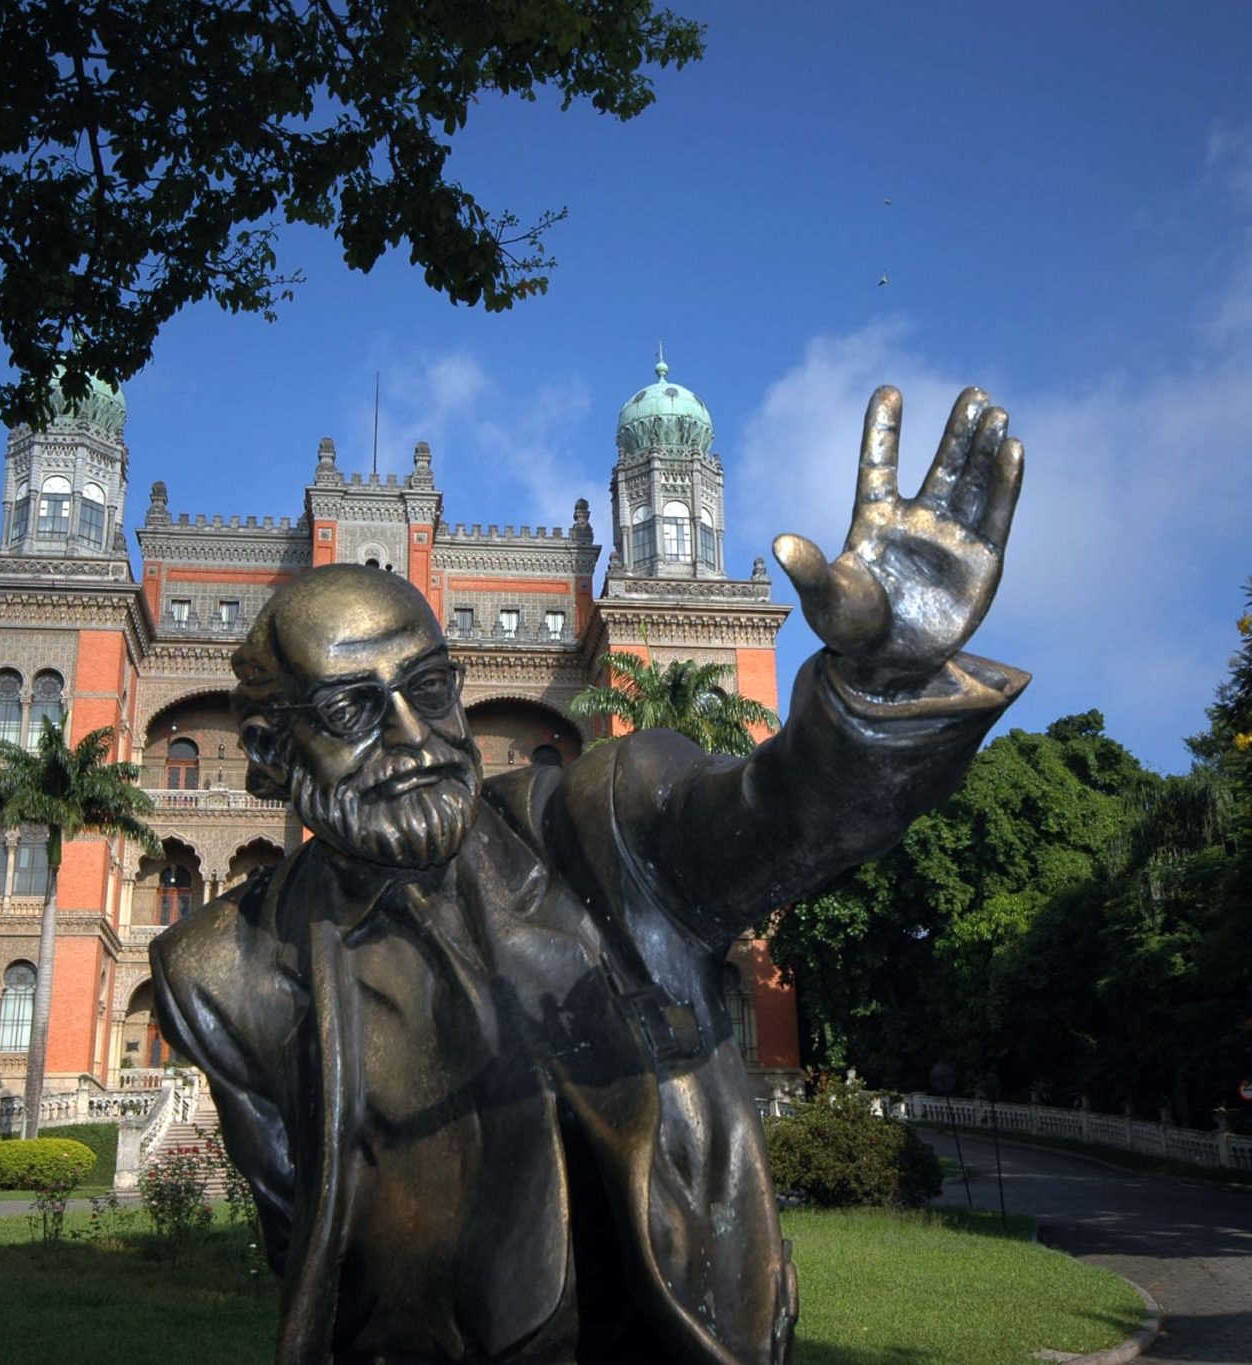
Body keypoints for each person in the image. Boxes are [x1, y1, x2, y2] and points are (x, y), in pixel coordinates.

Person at [151, 386, 1029, 1365]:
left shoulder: (594, 830)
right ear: (270, 751)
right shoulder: (219, 973)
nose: (414, 737)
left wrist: (877, 693)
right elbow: (302, 1242)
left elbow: (776, 815)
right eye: (353, 710)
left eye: (431, 689)